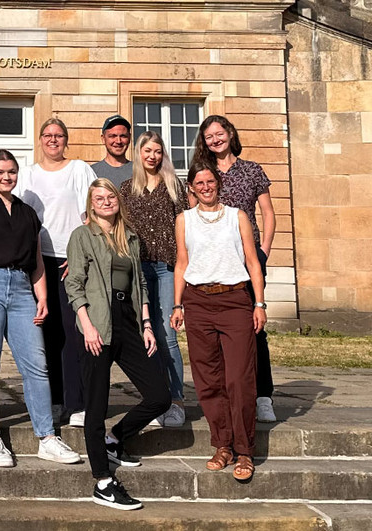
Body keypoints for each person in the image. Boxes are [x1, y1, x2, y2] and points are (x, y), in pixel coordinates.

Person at [0, 149, 81, 469]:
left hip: (22, 288)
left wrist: (43, 297)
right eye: (0, 172)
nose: (6, 177)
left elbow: (37, 262)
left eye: (11, 172)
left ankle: (47, 438)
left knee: (36, 365)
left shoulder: (28, 214)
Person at [65, 178, 171, 511]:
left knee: (160, 395)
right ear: (91, 204)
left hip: (128, 320)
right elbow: (74, 284)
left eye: (110, 196)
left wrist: (147, 325)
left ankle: (115, 439)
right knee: (95, 407)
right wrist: (87, 327)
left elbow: (140, 284)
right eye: (99, 198)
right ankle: (102, 482)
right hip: (97, 321)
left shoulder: (130, 237)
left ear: (117, 200)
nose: (106, 201)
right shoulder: (82, 236)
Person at [171, 161, 267, 483]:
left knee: (239, 378)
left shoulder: (236, 216)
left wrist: (259, 303)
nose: (206, 187)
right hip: (197, 302)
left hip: (234, 300)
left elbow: (252, 262)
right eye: (199, 183)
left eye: (210, 181)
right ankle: (222, 445)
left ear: (218, 184)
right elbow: (182, 263)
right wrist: (177, 305)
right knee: (208, 379)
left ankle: (245, 450)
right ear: (191, 188)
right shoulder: (183, 220)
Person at [191, 115, 277, 424]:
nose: (215, 140)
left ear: (230, 134)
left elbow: (268, 212)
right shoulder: (204, 173)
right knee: (218, 336)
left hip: (247, 260)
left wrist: (264, 250)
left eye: (219, 133)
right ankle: (227, 396)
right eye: (209, 136)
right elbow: (192, 215)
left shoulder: (252, 170)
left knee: (255, 328)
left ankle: (262, 395)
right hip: (214, 263)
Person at [14, 118, 98, 428]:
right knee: (43, 333)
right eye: (48, 135)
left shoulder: (79, 170)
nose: (53, 140)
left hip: (69, 260)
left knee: (72, 333)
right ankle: (50, 401)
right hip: (36, 262)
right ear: (40, 139)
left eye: (59, 135)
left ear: (66, 139)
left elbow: (93, 213)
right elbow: (17, 216)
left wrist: (80, 254)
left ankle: (76, 402)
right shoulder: (27, 175)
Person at [119, 131, 190, 427]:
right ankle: (155, 399)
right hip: (137, 269)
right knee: (143, 335)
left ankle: (176, 400)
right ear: (139, 153)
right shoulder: (127, 188)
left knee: (166, 335)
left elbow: (186, 227)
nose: (152, 156)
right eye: (147, 151)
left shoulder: (174, 186)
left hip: (166, 267)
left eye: (157, 151)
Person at [90, 115, 133, 188]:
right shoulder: (91, 172)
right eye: (113, 136)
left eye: (123, 136)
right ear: (103, 139)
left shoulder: (140, 171)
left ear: (129, 138)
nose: (118, 141)